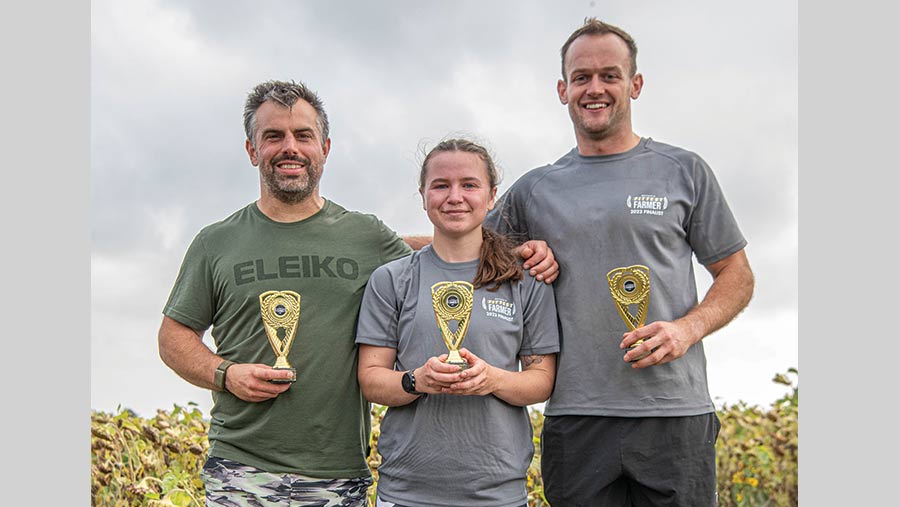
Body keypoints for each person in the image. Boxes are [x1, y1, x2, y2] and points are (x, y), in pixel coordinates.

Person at [157, 80, 558, 506]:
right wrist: (226, 375)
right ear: (252, 150)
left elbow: (438, 250)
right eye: (273, 136)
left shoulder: (365, 237)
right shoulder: (215, 242)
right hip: (240, 467)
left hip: (337, 472)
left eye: (303, 136)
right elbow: (172, 338)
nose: (289, 147)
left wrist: (511, 252)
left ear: (325, 148)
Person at [484, 19, 756, 507]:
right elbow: (458, 243)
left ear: (635, 84)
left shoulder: (684, 171)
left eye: (609, 75)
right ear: (563, 89)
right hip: (576, 417)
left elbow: (736, 275)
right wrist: (370, 242)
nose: (595, 88)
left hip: (675, 415)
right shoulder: (534, 189)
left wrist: (686, 330)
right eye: (582, 77)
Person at [355, 138, 560, 507]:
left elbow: (541, 380)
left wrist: (492, 378)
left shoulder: (525, 281)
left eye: (469, 184)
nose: (454, 197)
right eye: (440, 185)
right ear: (423, 194)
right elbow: (371, 378)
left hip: (497, 495)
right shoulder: (391, 279)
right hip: (405, 494)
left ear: (492, 196)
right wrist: (418, 380)